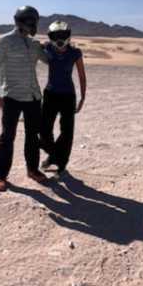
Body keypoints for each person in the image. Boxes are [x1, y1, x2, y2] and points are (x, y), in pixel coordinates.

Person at [0, 6, 49, 192]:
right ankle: (1, 176)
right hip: (11, 96)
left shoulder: (34, 44)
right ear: (21, 21)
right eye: (30, 21)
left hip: (33, 96)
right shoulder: (5, 41)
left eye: (35, 21)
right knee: (8, 136)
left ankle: (32, 170)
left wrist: (54, 47)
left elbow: (48, 60)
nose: (33, 25)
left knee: (33, 136)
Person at [39, 21, 87, 175]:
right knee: (44, 130)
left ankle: (61, 164)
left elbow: (81, 75)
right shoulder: (47, 48)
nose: (59, 39)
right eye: (55, 36)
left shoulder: (75, 53)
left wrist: (82, 98)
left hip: (68, 95)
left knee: (67, 132)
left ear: (68, 35)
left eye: (62, 35)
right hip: (50, 94)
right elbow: (31, 47)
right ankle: (54, 156)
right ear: (50, 37)